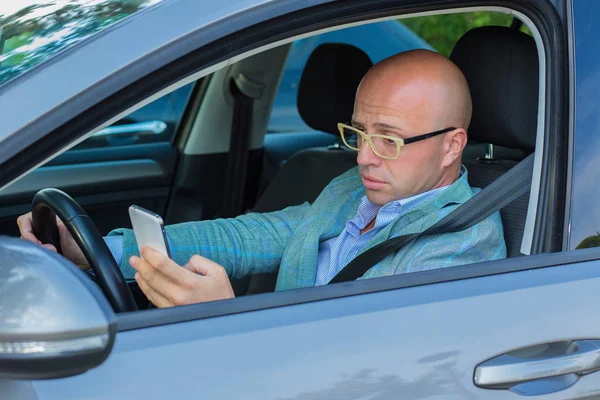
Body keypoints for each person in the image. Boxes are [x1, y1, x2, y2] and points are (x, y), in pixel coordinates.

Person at [17, 49, 507, 307]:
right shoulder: (352, 189)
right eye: (358, 133)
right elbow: (251, 235)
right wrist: (104, 248)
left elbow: (360, 364)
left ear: (451, 145)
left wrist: (227, 319)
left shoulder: (462, 243)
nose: (364, 157)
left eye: (389, 140)